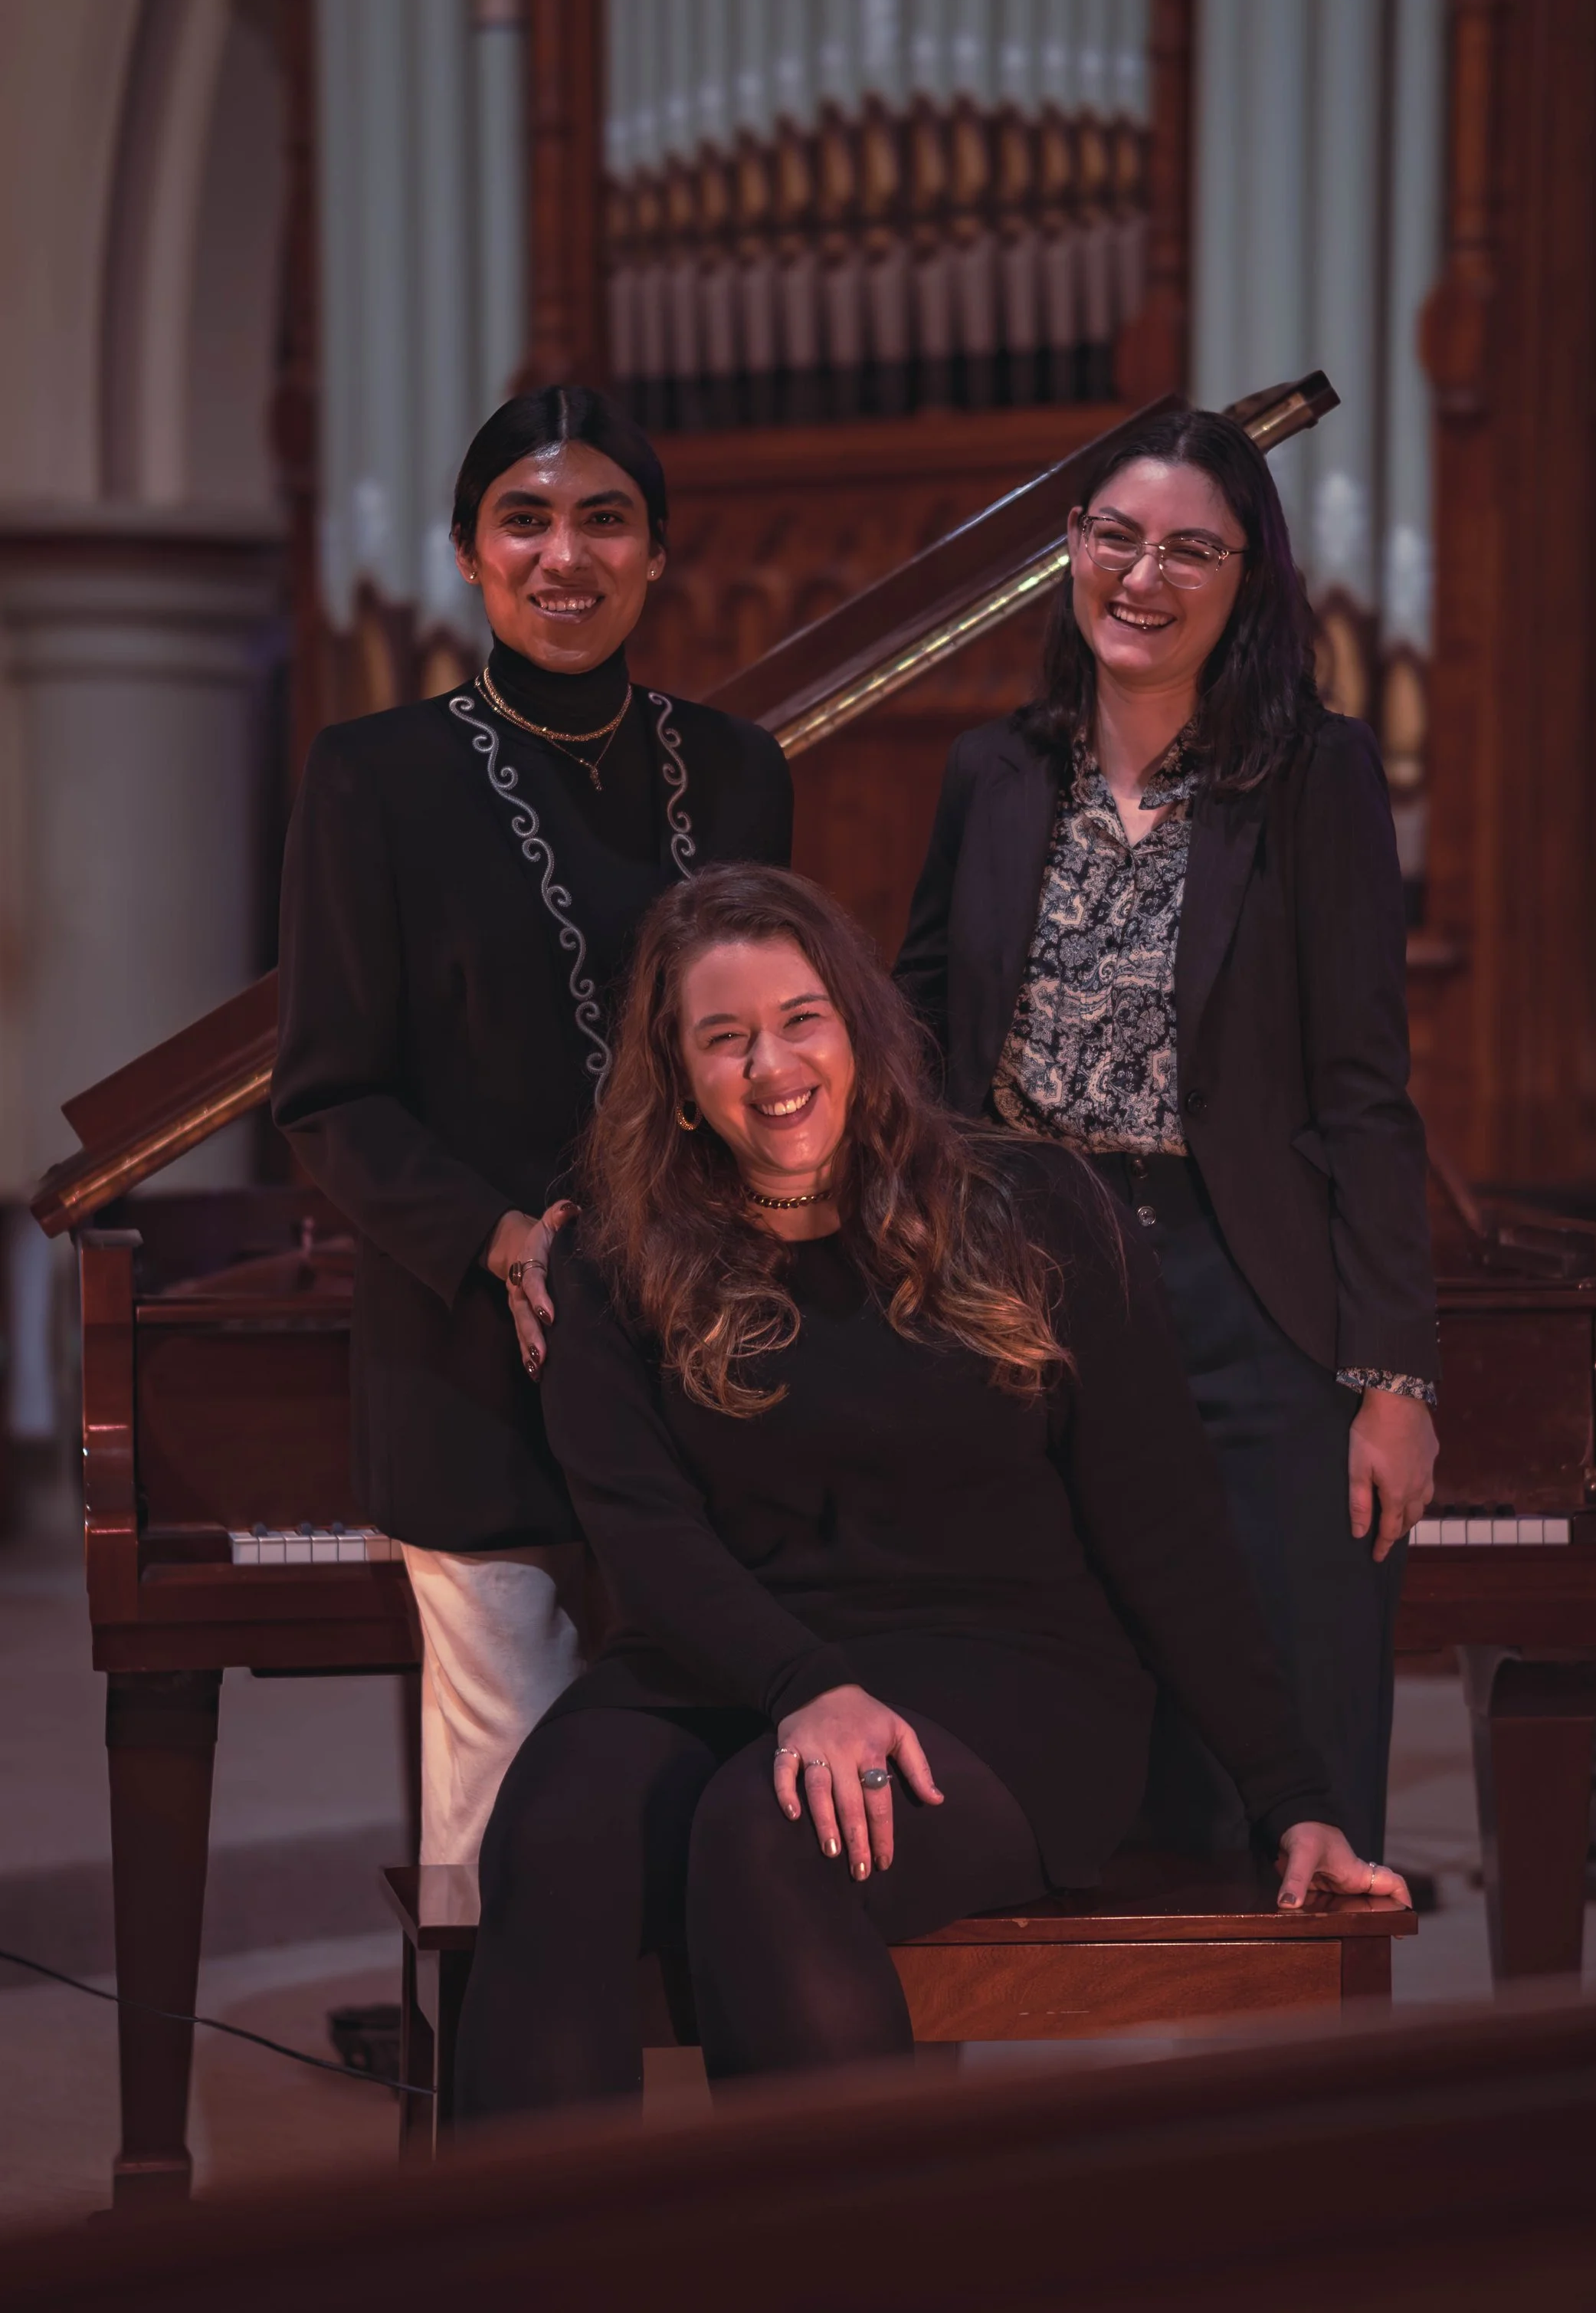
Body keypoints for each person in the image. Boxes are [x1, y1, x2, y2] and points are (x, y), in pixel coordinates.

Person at [454, 864, 1405, 2118]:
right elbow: (647, 1540)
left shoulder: (1037, 1209)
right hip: (736, 1658)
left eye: (802, 1020)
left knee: (781, 1828)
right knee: (555, 1832)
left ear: (858, 1025)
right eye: (723, 1038)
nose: (774, 1065)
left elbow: (1165, 1528)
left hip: (1009, 1673)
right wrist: (804, 1685)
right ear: (677, 1081)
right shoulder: (607, 1261)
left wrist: (1293, 1795)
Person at [893, 406, 1437, 1863]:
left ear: (1247, 577)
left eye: (1189, 549)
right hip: (1030, 1290)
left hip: (1246, 1293)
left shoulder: (1315, 776)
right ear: (1070, 550)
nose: (1143, 577)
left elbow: (1366, 1094)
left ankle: (1293, 2072)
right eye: (1116, 537)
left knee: (1290, 1711)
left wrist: (1393, 1378)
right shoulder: (994, 774)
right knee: (1076, 1698)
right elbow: (926, 1026)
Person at [271, 386, 792, 1865]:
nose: (566, 555)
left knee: (711, 1781)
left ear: (655, 554)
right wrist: (500, 1241)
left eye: (604, 519)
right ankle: (507, 2091)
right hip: (475, 1369)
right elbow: (326, 1093)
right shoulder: (371, 778)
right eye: (527, 519)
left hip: (714, 1364)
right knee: (508, 1816)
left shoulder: (743, 772)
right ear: (467, 554)